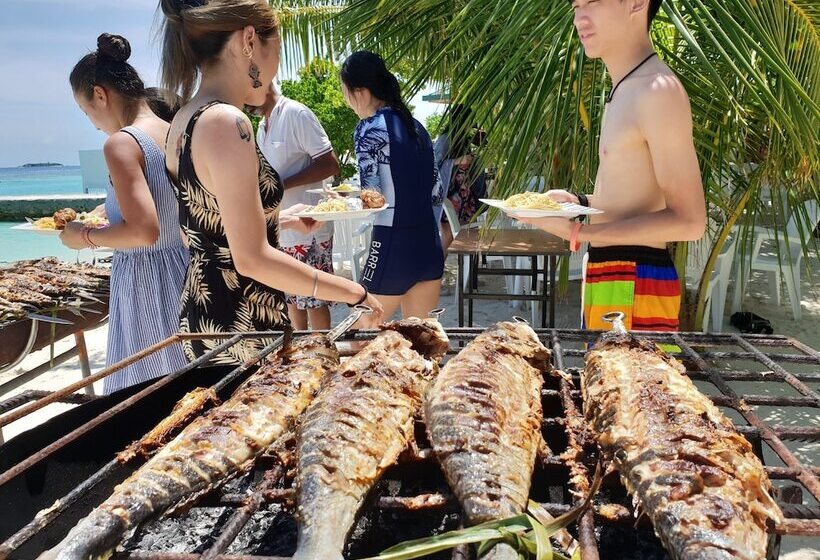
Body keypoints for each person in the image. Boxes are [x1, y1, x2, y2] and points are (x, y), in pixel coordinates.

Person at [158, 0, 383, 365]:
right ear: (249, 41)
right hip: (243, 319)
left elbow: (202, 230)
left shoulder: (183, 119)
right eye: (275, 51)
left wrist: (280, 218)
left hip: (206, 310)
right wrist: (353, 292)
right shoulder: (226, 123)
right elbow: (251, 259)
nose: (275, 67)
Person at [516, 0, 705, 332]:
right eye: (576, 6)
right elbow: (635, 193)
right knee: (605, 381)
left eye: (592, 3)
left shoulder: (657, 90)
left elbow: (690, 221)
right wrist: (581, 202)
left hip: (637, 279)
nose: (579, 18)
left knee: (637, 383)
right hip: (615, 273)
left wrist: (578, 232)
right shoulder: (626, 87)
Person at [62, 33, 189, 394]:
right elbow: (166, 202)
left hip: (147, 282)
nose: (92, 121)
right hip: (186, 268)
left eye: (87, 111)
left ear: (100, 95)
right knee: (190, 389)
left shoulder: (121, 142)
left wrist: (82, 237)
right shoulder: (174, 131)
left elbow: (144, 231)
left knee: (145, 398)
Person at [341, 51, 445, 320]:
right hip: (429, 246)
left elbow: (372, 196)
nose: (347, 103)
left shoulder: (368, 128)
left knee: (360, 338)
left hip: (392, 245)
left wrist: (346, 202)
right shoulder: (418, 127)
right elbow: (437, 192)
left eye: (346, 94)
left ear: (361, 92)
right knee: (424, 345)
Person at [254, 81, 340, 330]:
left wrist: (280, 185)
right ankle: (302, 362)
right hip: (283, 228)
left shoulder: (296, 113)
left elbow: (330, 163)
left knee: (315, 299)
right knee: (291, 299)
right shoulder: (261, 126)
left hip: (310, 225)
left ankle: (323, 360)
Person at [434, 104, 487, 252]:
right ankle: (437, 268)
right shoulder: (445, 139)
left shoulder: (463, 139)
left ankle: (468, 269)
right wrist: (458, 161)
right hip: (450, 196)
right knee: (449, 234)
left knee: (466, 233)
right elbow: (434, 166)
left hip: (464, 196)